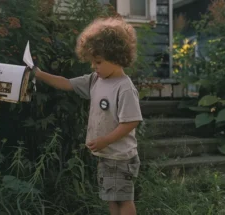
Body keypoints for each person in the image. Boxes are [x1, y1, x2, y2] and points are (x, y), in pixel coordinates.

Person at [32, 16, 143, 215]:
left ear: (116, 57)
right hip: (107, 154)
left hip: (120, 156)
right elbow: (65, 83)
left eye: (98, 62)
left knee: (123, 199)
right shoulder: (95, 80)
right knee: (111, 198)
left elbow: (131, 121)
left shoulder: (124, 88)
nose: (94, 66)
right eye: (92, 61)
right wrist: (39, 74)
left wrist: (105, 140)